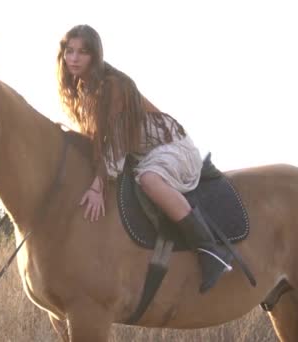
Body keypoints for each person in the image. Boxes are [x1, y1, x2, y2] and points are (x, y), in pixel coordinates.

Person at [57, 24, 232, 294]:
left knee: (149, 180)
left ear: (95, 56)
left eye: (83, 52)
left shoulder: (112, 86)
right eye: (69, 51)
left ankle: (211, 250)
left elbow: (114, 144)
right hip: (139, 153)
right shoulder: (80, 90)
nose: (74, 58)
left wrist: (97, 186)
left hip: (170, 147)